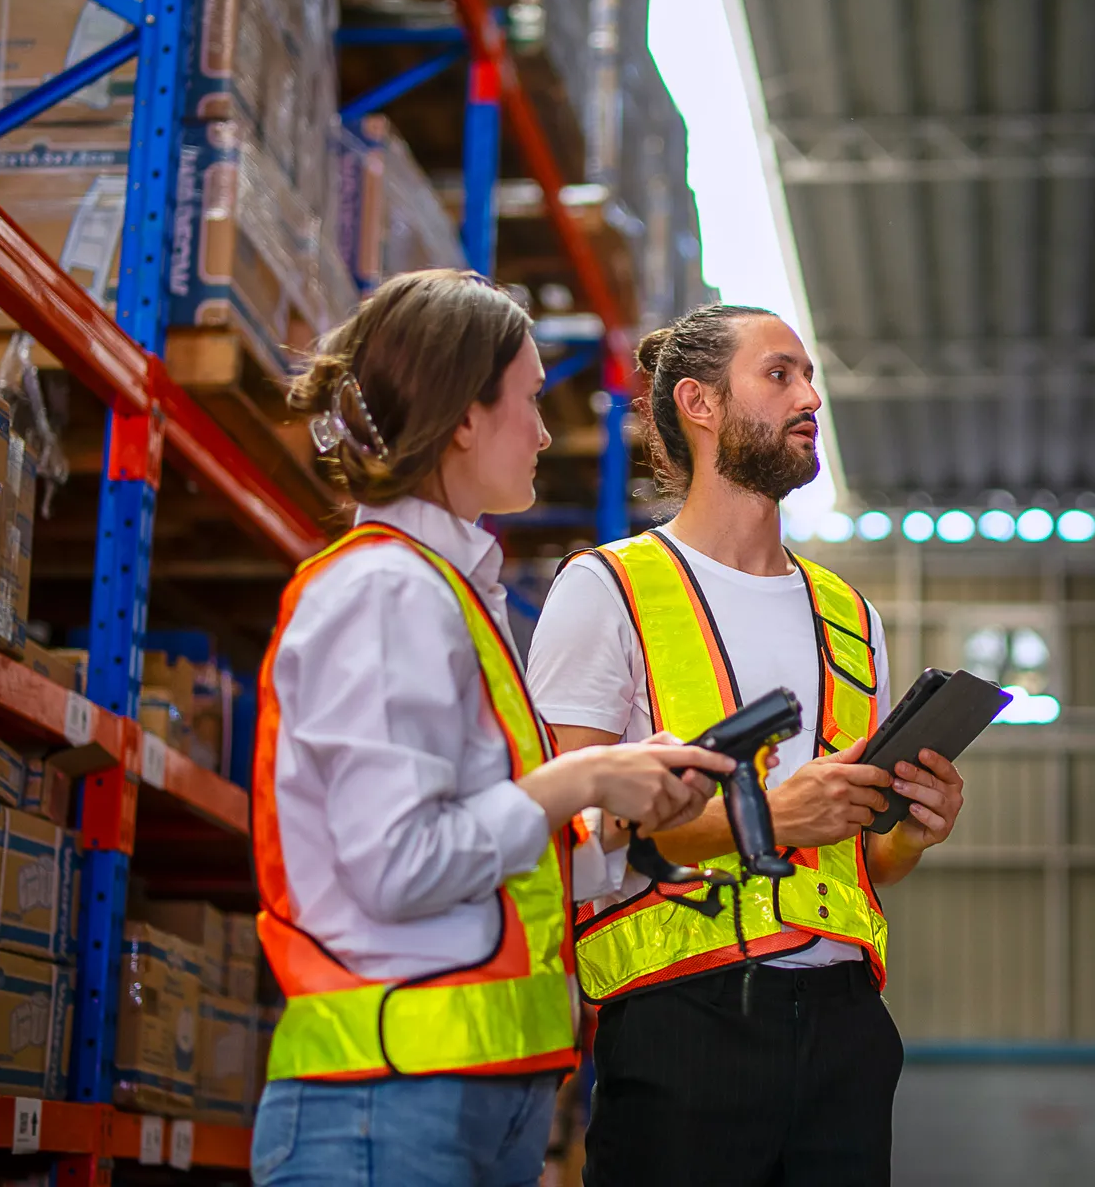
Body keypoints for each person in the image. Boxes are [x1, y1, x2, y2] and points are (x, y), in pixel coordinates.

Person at [248, 269, 732, 1187]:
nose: (547, 432)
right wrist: (581, 780)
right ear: (465, 416)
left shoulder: (450, 594)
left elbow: (488, 856)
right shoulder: (387, 593)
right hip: (387, 1104)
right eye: (531, 399)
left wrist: (621, 825)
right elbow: (400, 866)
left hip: (462, 1100)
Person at [526, 304, 969, 1187]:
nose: (810, 396)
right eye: (779, 375)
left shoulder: (851, 615)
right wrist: (762, 818)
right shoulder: (607, 590)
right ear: (699, 403)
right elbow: (563, 836)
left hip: (848, 1028)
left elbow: (866, 863)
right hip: (681, 1020)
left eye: (809, 376)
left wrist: (911, 827)